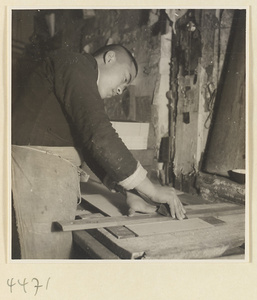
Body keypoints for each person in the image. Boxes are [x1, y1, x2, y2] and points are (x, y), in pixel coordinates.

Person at [12, 44, 186, 259]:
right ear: (109, 57)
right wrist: (152, 190)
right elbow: (100, 136)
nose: (121, 90)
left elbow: (91, 149)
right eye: (124, 78)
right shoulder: (75, 64)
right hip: (36, 174)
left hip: (43, 174)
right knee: (47, 264)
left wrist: (129, 193)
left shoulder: (75, 77)